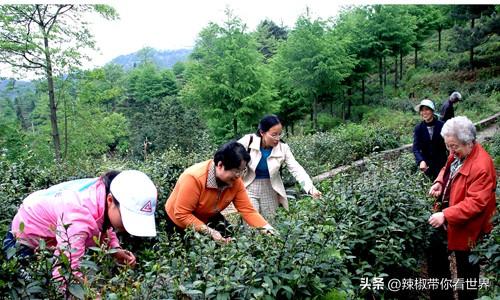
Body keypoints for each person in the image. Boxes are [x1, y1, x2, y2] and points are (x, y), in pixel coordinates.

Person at [3, 170, 158, 280]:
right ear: (110, 201)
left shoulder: (101, 193)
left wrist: (116, 250)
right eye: (128, 217)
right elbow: (65, 273)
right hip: (22, 245)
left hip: (48, 242)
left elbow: (104, 223)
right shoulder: (78, 216)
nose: (129, 227)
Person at [428, 116, 496, 300]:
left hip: (469, 227)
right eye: (448, 146)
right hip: (451, 218)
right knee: (435, 254)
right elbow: (448, 168)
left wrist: (446, 215)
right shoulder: (459, 152)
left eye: (454, 146)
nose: (450, 151)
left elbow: (476, 203)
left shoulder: (482, 166)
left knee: (467, 271)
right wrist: (440, 182)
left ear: (470, 142)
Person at [164, 141, 275, 243]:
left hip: (207, 214)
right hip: (178, 221)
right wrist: (210, 232)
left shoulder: (235, 181)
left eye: (242, 171)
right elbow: (182, 214)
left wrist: (268, 229)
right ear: (220, 165)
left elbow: (248, 210)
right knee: (185, 254)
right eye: (236, 171)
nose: (239, 176)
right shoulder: (194, 178)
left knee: (229, 238)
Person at [223, 114, 321, 220]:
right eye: (274, 135)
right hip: (248, 186)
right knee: (251, 224)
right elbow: (230, 152)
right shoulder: (249, 140)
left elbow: (296, 169)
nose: (277, 138)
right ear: (262, 132)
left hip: (271, 188)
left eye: (279, 134)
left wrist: (311, 189)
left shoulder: (283, 148)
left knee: (270, 224)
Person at [412, 99, 448, 180]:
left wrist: (450, 162)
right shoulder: (419, 128)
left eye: (427, 109)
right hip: (427, 167)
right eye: (422, 110)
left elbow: (449, 145)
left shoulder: (442, 126)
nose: (424, 112)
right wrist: (421, 161)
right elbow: (416, 148)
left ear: (432, 111)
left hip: (442, 165)